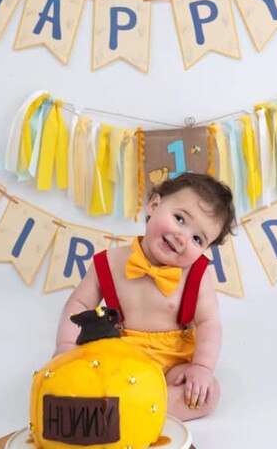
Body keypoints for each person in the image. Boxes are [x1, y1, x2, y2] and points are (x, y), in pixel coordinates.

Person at [54, 172, 235, 421]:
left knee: (207, 394)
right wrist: (66, 348)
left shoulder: (197, 275)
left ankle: (132, 410)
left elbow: (209, 323)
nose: (183, 238)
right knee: (90, 376)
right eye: (180, 218)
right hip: (119, 358)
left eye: (197, 238)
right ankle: (129, 406)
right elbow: (80, 303)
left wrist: (201, 368)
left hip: (174, 366)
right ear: (154, 205)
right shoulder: (110, 262)